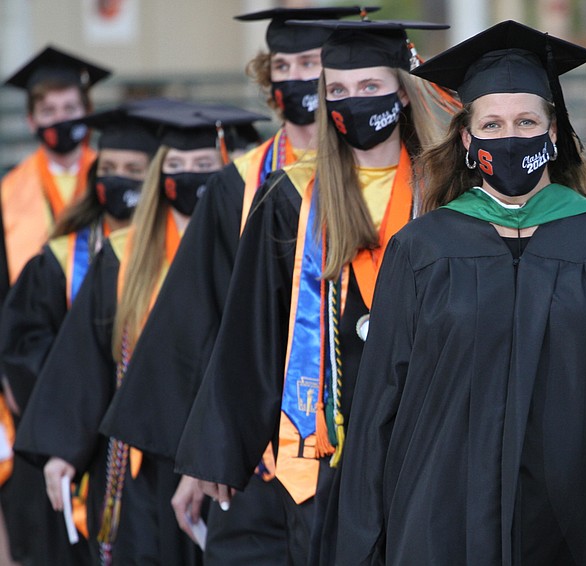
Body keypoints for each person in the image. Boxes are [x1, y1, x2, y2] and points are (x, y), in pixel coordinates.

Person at [334, 20, 586, 566]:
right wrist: (363, 545)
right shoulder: (422, 248)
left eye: (527, 120)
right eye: (493, 123)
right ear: (467, 138)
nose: (510, 137)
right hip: (441, 521)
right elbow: (378, 411)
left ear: (553, 134)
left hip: (575, 520)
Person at [95, 8, 378, 559]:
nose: (297, 79)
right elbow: (200, 319)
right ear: (268, 81)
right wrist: (204, 455)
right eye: (284, 65)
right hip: (264, 454)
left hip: (366, 441)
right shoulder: (239, 185)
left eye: (311, 64)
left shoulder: (390, 178)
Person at [174, 19, 452, 565]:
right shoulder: (290, 196)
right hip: (330, 444)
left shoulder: (444, 190)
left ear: (403, 89)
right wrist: (221, 451)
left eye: (370, 87)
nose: (354, 101)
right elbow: (255, 329)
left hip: (431, 438)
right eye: (338, 91)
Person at [13, 99, 266, 565]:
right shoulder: (124, 254)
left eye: (204, 165)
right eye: (177, 165)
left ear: (228, 170)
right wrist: (62, 449)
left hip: (232, 455)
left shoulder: (255, 241)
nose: (190, 176)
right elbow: (86, 358)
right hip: (143, 463)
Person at [0, 105, 158, 565]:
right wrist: (86, 405)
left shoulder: (182, 254)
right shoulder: (59, 258)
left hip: (156, 445)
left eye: (134, 170)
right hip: (79, 444)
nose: (118, 180)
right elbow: (23, 346)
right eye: (108, 169)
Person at [0, 45, 110, 566]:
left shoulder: (116, 179)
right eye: (50, 112)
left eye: (71, 109)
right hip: (31, 384)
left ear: (87, 109)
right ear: (31, 119)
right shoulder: (8, 194)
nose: (62, 121)